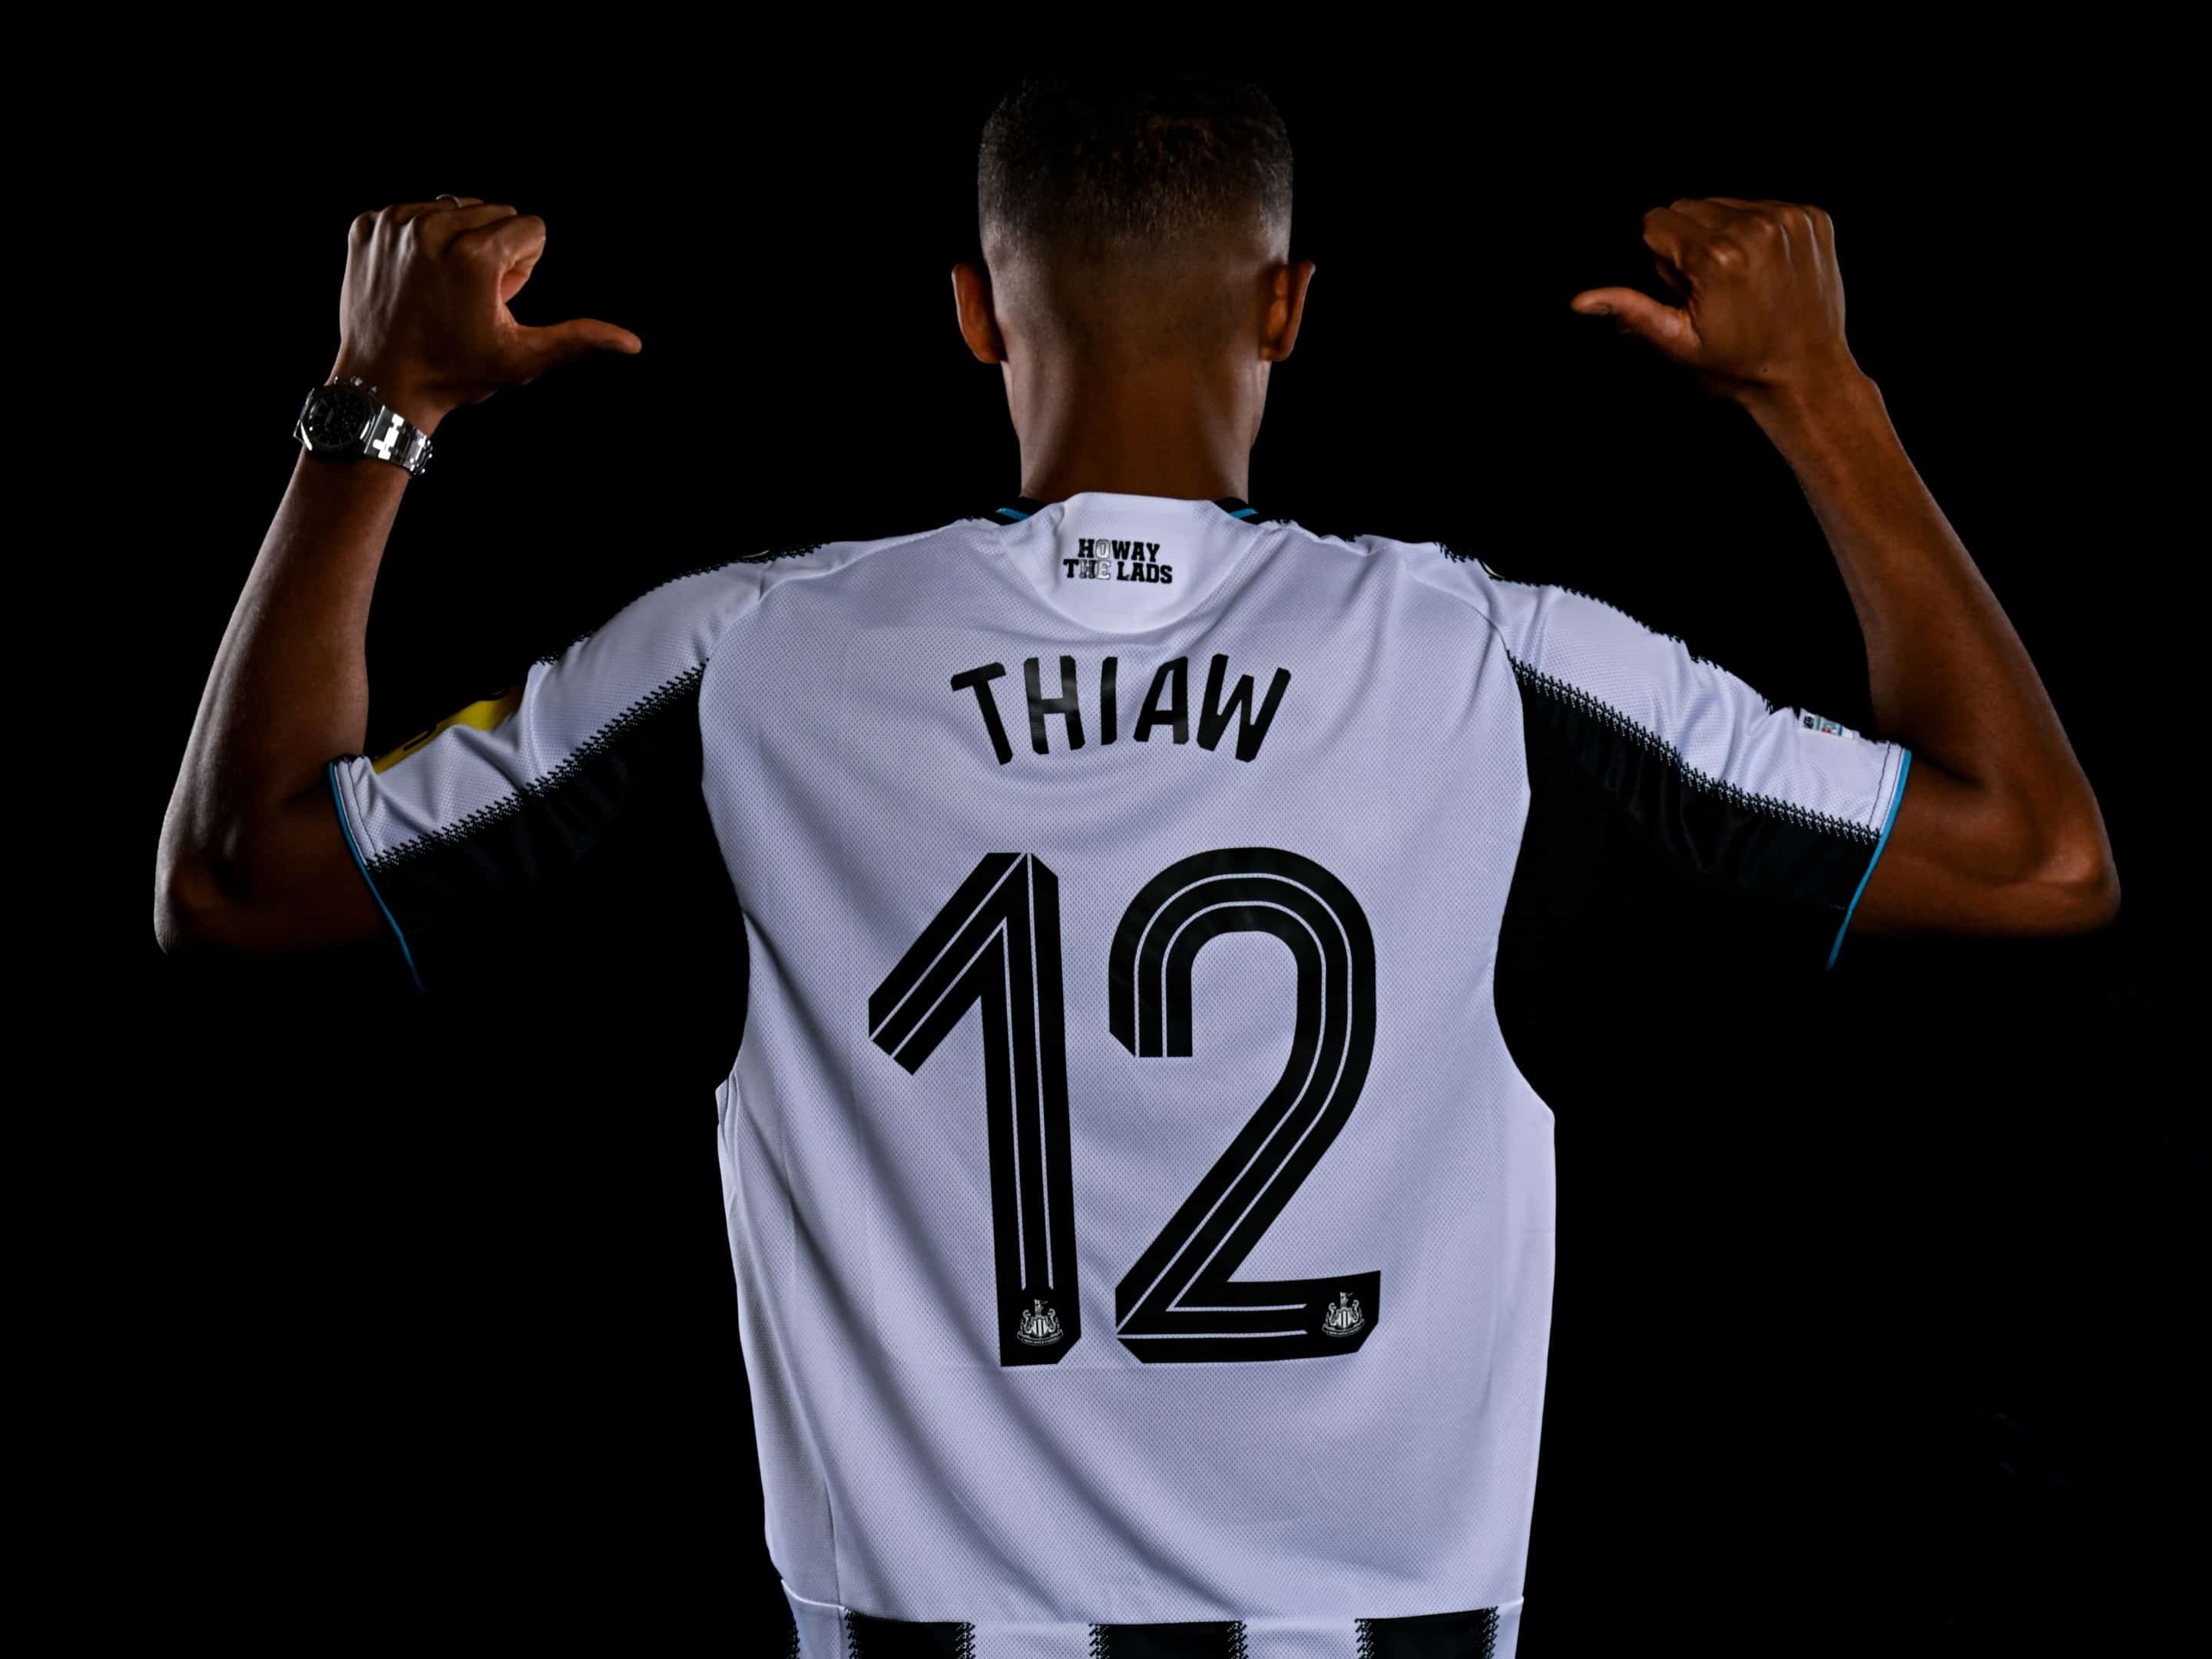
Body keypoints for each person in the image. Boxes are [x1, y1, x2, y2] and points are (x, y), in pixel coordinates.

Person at [152, 76, 2118, 1659]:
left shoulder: (750, 652)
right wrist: (1820, 395)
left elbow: (238, 885)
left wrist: (381, 408)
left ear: (973, 311)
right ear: (1289, 307)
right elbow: (2038, 861)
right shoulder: (1494, 657)